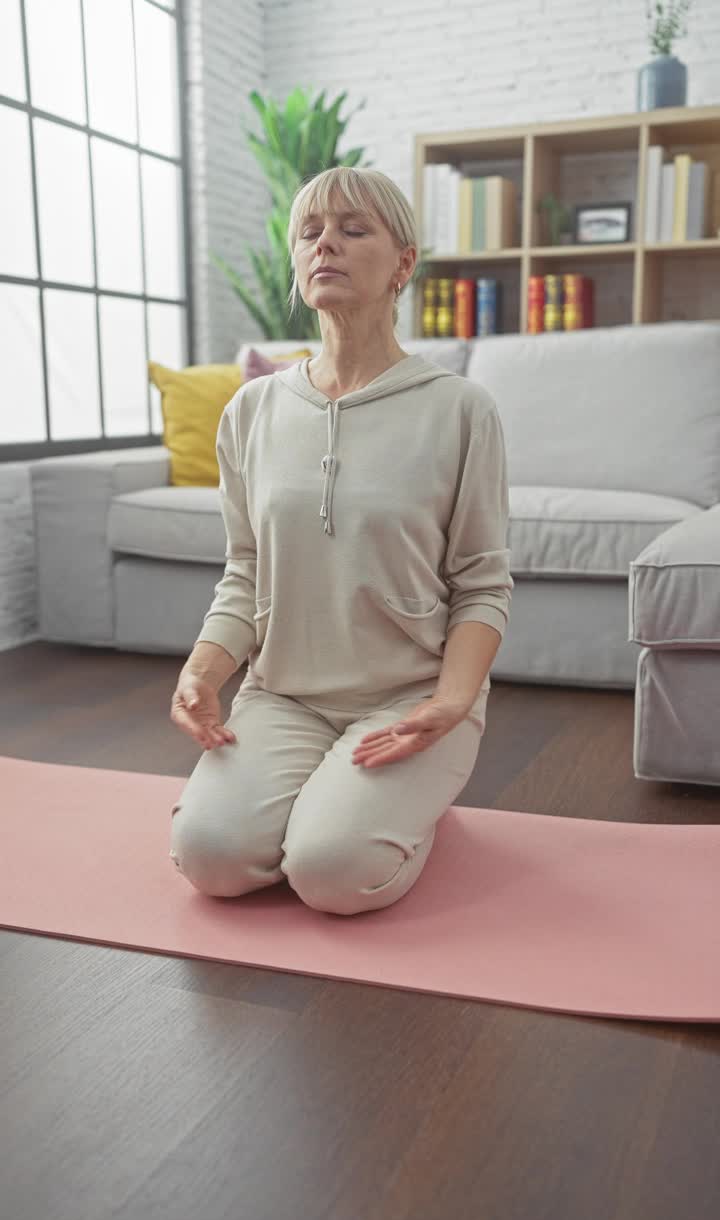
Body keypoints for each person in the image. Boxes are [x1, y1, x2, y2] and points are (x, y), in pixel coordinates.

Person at [168, 166, 514, 916]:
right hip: (284, 694)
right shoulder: (252, 410)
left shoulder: (459, 409)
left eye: (354, 230)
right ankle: (338, 802)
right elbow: (247, 570)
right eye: (311, 232)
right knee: (210, 861)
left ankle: (391, 808)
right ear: (296, 260)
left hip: (411, 697)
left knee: (331, 874)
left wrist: (452, 702)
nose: (327, 243)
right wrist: (203, 671)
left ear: (403, 264)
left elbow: (484, 583)